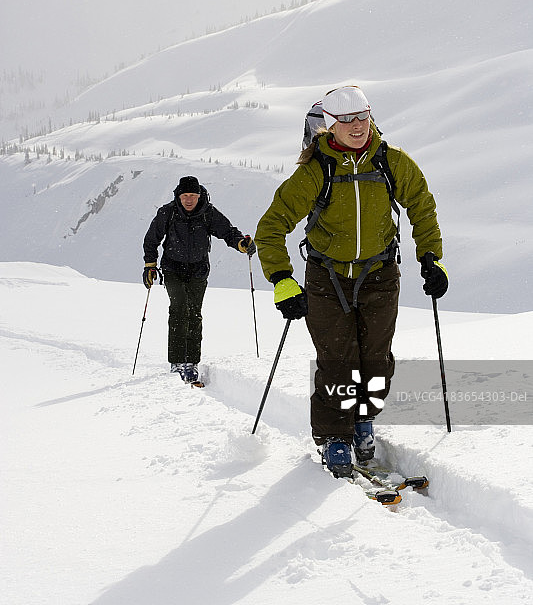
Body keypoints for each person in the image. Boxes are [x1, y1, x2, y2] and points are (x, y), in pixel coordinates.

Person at [254, 86, 447, 477]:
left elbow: (422, 207)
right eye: (346, 120)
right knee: (338, 361)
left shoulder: (392, 162)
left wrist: (431, 258)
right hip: (327, 278)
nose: (356, 126)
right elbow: (271, 227)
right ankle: (334, 436)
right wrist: (282, 280)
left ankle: (363, 419)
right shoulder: (316, 170)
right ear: (331, 125)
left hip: (379, 274)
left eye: (361, 117)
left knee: (376, 360)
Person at [143, 175, 256, 382]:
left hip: (198, 271)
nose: (188, 200)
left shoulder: (208, 213)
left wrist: (241, 243)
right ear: (178, 195)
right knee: (179, 308)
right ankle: (177, 361)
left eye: (192, 196)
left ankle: (191, 362)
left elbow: (228, 232)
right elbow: (151, 240)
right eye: (185, 195)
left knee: (194, 313)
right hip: (172, 269)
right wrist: (150, 266)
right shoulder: (167, 213)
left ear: (199, 195)